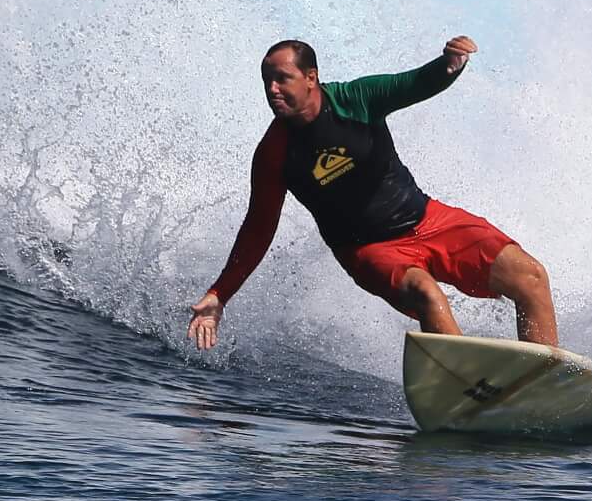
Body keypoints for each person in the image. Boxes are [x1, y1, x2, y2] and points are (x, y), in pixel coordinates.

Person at [187, 35, 559, 351]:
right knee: (426, 293)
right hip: (368, 249)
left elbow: (412, 83)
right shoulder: (274, 154)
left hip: (427, 219)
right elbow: (258, 228)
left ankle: (542, 382)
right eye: (267, 81)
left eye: (282, 79)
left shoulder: (356, 100)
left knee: (530, 275)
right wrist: (220, 294)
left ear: (311, 78)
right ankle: (472, 392)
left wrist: (449, 65)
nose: (272, 89)